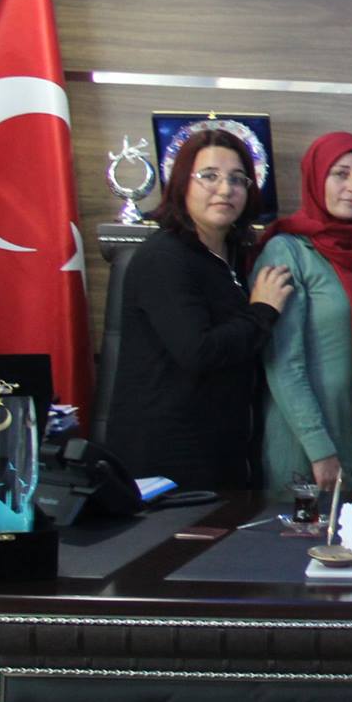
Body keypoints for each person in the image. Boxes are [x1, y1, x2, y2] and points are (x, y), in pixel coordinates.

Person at [106, 130, 293, 489]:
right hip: (167, 463)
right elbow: (199, 351)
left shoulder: (236, 254)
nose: (225, 189)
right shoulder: (164, 257)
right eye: (209, 176)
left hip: (222, 451)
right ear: (181, 184)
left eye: (237, 179)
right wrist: (262, 310)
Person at [253, 132, 352, 490]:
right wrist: (319, 449)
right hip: (306, 444)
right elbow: (283, 363)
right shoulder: (287, 251)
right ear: (316, 178)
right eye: (340, 174)